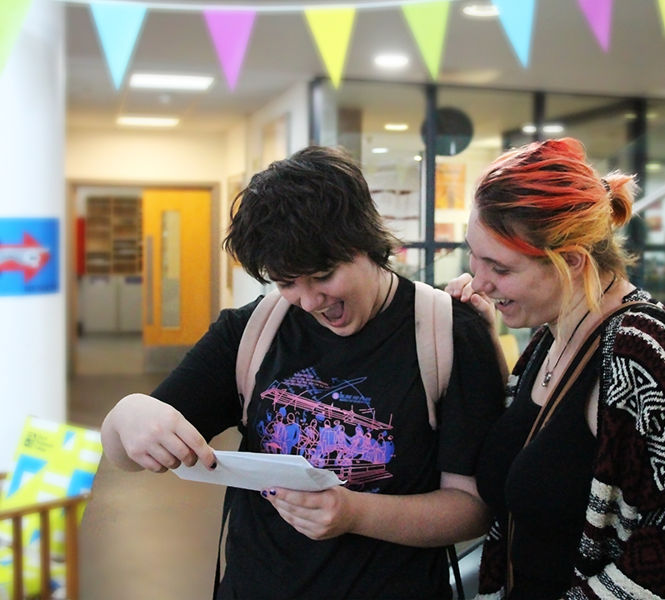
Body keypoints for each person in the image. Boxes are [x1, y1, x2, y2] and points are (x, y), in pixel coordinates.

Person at [100, 146, 506, 600]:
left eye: (323, 275)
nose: (310, 301)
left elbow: (472, 509)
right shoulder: (251, 331)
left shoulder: (450, 332)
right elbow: (126, 456)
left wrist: (354, 513)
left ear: (368, 244)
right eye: (287, 282)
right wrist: (125, 415)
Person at [445, 137, 665, 599]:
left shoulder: (643, 351)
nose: (478, 280)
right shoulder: (550, 339)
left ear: (573, 262)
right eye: (473, 255)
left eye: (499, 268)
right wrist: (483, 340)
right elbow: (536, 455)